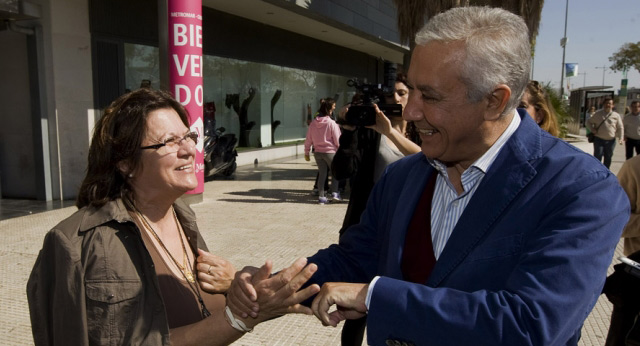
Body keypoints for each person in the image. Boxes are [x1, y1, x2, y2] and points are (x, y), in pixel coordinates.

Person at [228, 6, 629, 345]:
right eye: (411, 91)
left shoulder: (582, 191)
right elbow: (356, 258)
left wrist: (377, 295)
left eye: (430, 97)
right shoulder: (403, 178)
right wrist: (270, 285)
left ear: (495, 100)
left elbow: (532, 325)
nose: (412, 112)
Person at [26, 88, 319, 346]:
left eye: (189, 136)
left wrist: (239, 290)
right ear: (126, 163)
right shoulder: (76, 244)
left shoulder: (182, 216)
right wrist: (238, 317)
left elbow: (201, 318)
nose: (190, 149)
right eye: (168, 141)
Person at [331, 73, 421, 345]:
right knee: (356, 309)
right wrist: (348, 133)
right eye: (390, 94)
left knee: (398, 302)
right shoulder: (370, 132)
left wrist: (390, 132)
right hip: (369, 227)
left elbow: (430, 161)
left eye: (402, 93)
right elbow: (342, 170)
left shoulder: (422, 129)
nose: (395, 99)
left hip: (410, 229)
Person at [304, 98, 342, 204]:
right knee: (335, 172)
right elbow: (338, 140)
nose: (334, 108)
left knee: (322, 174)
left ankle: (322, 197)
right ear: (330, 110)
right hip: (330, 152)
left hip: (318, 152)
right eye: (333, 107)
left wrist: (306, 152)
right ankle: (335, 193)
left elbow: (308, 139)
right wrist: (340, 150)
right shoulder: (332, 123)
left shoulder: (313, 124)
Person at [586, 97, 624, 169]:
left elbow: (620, 127)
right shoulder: (598, 114)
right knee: (597, 156)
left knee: (608, 157)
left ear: (613, 105)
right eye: (606, 103)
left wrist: (621, 138)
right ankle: (597, 171)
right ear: (603, 104)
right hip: (599, 139)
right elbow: (588, 122)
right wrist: (592, 129)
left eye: (610, 103)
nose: (608, 105)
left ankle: (606, 172)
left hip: (611, 141)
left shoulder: (616, 115)